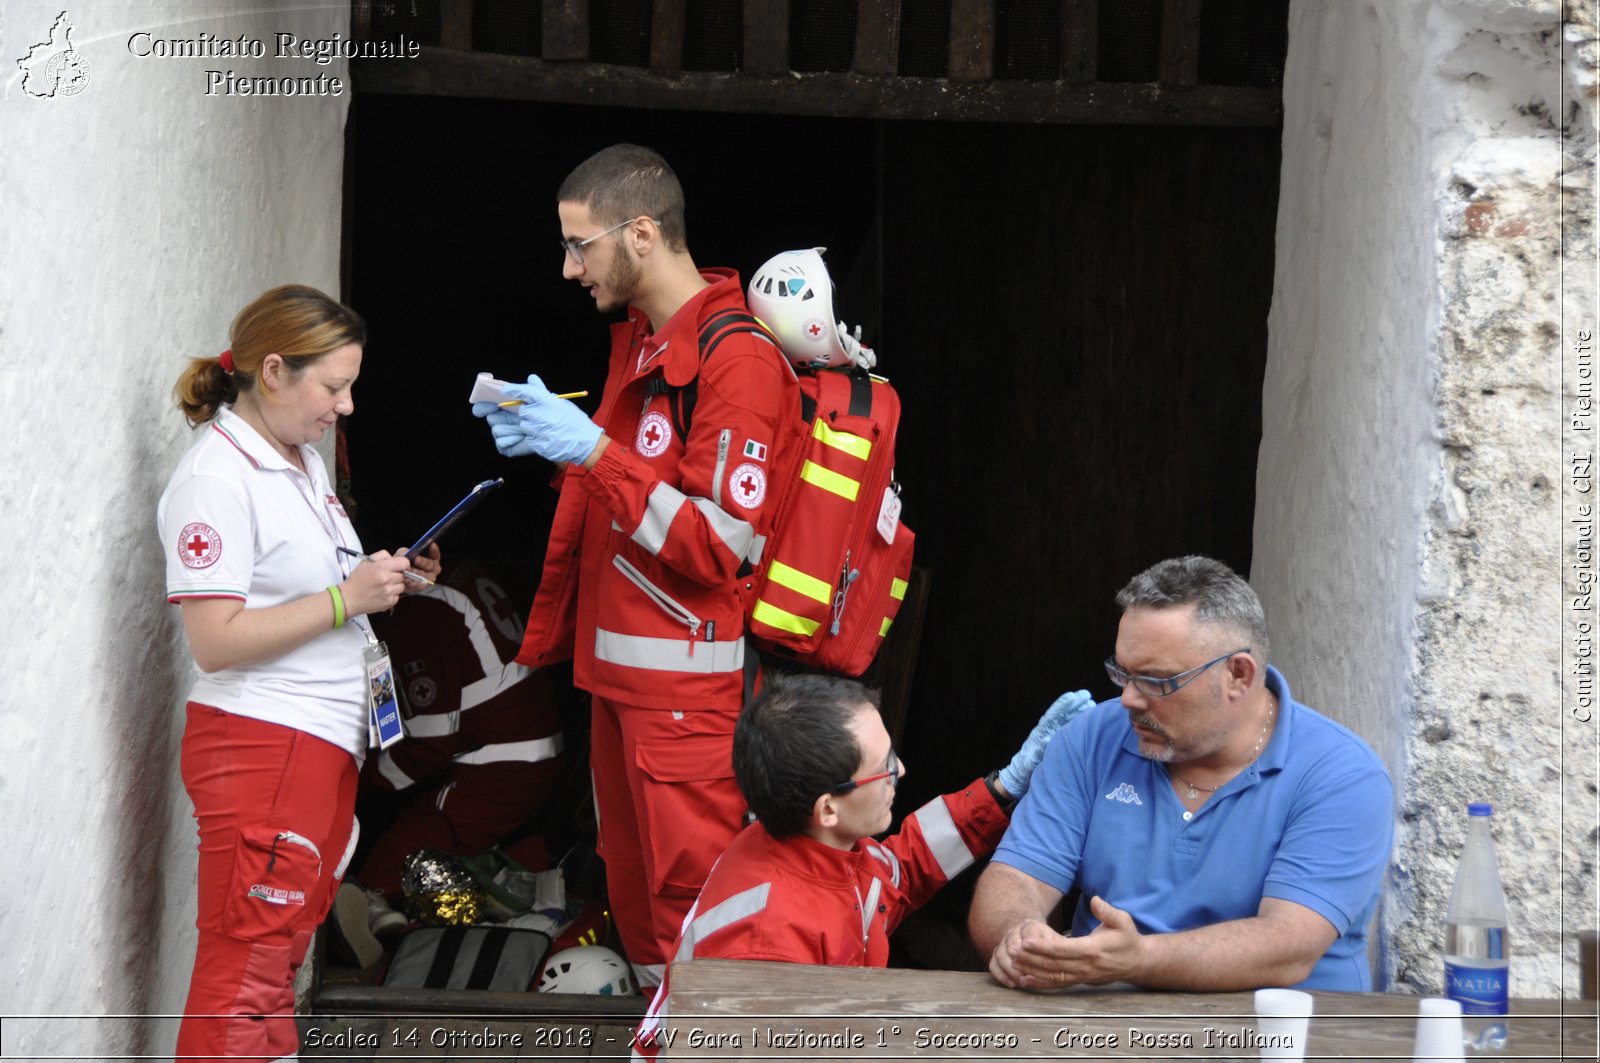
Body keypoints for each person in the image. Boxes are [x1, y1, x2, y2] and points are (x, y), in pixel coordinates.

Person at [470, 144, 800, 986]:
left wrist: (592, 451)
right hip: (622, 689)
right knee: (643, 912)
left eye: (580, 244)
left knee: (697, 913)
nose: (569, 268)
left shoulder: (739, 361)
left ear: (643, 233)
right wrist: (560, 449)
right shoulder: (648, 344)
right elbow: (631, 495)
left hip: (685, 700)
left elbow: (717, 542)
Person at [158, 284, 441, 1061]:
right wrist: (346, 599)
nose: (346, 405)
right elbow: (214, 640)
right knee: (244, 980)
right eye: (334, 386)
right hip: (263, 744)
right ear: (274, 370)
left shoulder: (300, 460)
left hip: (312, 744)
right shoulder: (217, 478)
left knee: (276, 963)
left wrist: (383, 578)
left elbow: (313, 585)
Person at [968, 555, 1393, 993]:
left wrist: (1137, 960)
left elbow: (1288, 947)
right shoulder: (1092, 738)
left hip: (1279, 1037)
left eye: (1156, 681)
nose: (1130, 699)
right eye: (1123, 673)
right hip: (1102, 1031)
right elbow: (1016, 876)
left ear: (1238, 675)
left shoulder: (1342, 775)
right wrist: (1018, 935)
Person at [631, 672, 1093, 1058]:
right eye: (885, 765)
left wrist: (1004, 786)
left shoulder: (818, 844)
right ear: (828, 808)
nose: (903, 771)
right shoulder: (765, 949)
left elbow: (901, 870)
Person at [352, 564, 565, 905]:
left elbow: (426, 749)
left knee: (379, 881)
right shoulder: (458, 572)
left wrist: (352, 783)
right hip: (520, 748)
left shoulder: (418, 612)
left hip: (501, 766)